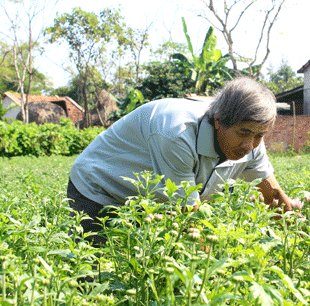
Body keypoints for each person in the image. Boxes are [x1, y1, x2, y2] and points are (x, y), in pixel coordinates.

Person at [67, 77, 293, 246]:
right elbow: (189, 215)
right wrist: (219, 269)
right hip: (98, 188)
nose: (249, 145)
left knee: (141, 270)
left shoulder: (252, 140)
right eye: (243, 133)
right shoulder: (177, 133)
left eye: (259, 135)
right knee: (92, 272)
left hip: (144, 204)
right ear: (218, 121)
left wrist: (294, 239)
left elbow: (273, 195)